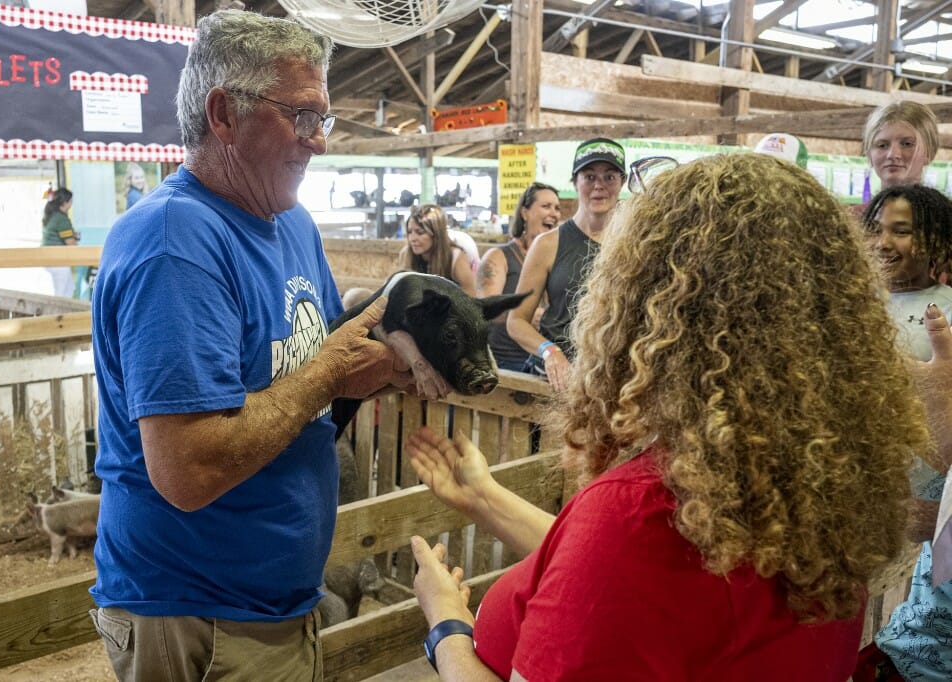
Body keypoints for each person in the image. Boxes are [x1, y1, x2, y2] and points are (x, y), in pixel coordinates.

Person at [406, 153, 929, 681]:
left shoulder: (641, 512)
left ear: (646, 303)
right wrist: (483, 496)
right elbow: (631, 583)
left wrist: (446, 627)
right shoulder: (807, 484)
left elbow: (625, 558)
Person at [87, 11, 412, 681]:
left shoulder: (289, 222)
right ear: (223, 114)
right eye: (301, 116)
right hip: (198, 613)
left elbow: (319, 357)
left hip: (271, 604)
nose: (317, 141)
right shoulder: (174, 240)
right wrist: (328, 374)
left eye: (323, 119)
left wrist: (391, 361)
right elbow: (187, 471)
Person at [860, 184, 952, 681]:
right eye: (876, 229)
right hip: (857, 493)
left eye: (902, 231)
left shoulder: (946, 312)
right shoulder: (852, 304)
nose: (882, 242)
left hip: (926, 506)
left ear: (936, 241)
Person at [506, 138, 626, 391]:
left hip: (610, 381)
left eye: (609, 177)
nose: (599, 186)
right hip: (556, 379)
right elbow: (516, 321)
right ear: (575, 182)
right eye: (590, 176)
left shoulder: (632, 243)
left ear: (622, 182)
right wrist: (550, 351)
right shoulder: (548, 244)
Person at [476, 182, 560, 371]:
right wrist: (525, 315)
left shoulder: (556, 259)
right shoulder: (498, 257)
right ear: (525, 213)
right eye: (546, 206)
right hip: (505, 363)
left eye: (557, 208)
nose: (554, 213)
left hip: (546, 361)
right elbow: (484, 311)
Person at [397, 203, 476, 295]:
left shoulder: (455, 258)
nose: (412, 238)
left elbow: (471, 296)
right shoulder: (406, 254)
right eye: (409, 232)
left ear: (436, 234)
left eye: (420, 232)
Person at [863, 101, 939, 191]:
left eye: (907, 144)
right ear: (869, 154)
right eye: (882, 145)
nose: (892, 155)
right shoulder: (870, 206)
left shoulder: (943, 205)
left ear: (929, 152)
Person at [40, 186, 78, 298]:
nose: (71, 203)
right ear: (65, 202)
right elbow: (70, 243)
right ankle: (59, 314)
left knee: (69, 288)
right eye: (71, 200)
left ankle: (66, 313)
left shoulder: (53, 215)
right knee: (61, 292)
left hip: (49, 258)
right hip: (57, 260)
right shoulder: (61, 219)